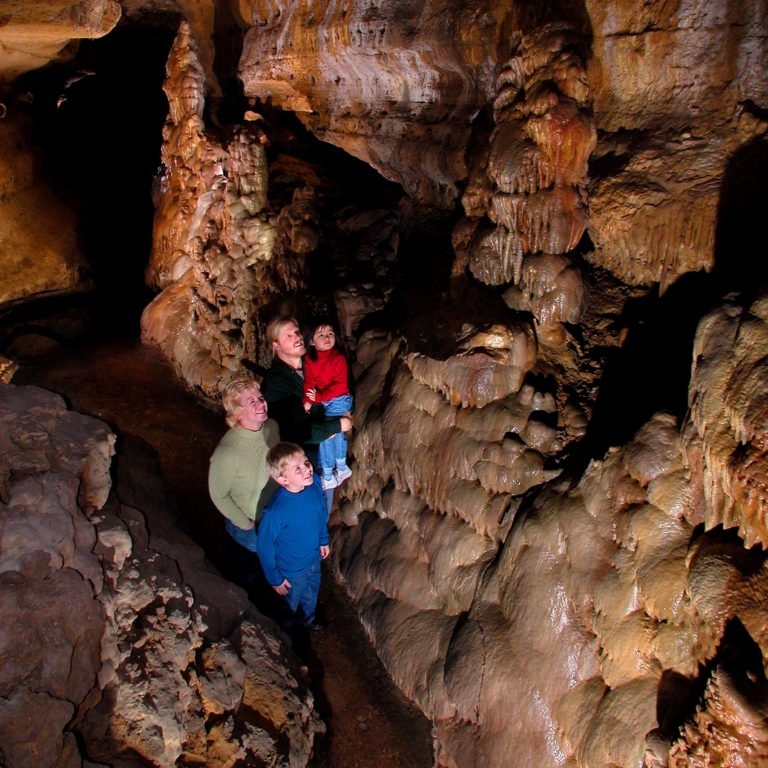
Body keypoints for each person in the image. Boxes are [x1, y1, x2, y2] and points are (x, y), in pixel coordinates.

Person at [260, 316, 353, 470]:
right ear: (276, 345)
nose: (297, 337)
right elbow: (293, 429)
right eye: (288, 336)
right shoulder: (274, 384)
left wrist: (347, 408)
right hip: (305, 457)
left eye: (297, 332)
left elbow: (341, 385)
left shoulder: (314, 360)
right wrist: (336, 426)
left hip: (333, 442)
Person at [256, 442, 330, 632]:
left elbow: (321, 512)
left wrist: (323, 539)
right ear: (282, 479)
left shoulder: (313, 483)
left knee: (311, 594)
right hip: (291, 571)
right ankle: (285, 635)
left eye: (306, 462)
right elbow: (265, 546)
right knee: (289, 603)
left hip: (313, 559)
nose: (307, 469)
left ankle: (307, 620)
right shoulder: (276, 511)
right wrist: (275, 578)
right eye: (298, 469)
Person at [208, 377, 279, 553]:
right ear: (238, 413)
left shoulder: (271, 426)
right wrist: (245, 524)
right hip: (249, 524)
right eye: (252, 401)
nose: (261, 404)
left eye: (260, 398)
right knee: (257, 568)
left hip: (274, 515)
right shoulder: (227, 453)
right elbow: (219, 496)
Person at [303, 320, 354, 490]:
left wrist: (319, 398)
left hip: (340, 398)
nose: (327, 338)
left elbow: (340, 385)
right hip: (326, 400)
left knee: (329, 433)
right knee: (332, 432)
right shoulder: (310, 360)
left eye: (330, 334)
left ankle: (329, 472)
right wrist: (308, 400)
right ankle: (339, 468)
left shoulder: (338, 358)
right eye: (321, 335)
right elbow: (309, 382)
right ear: (311, 341)